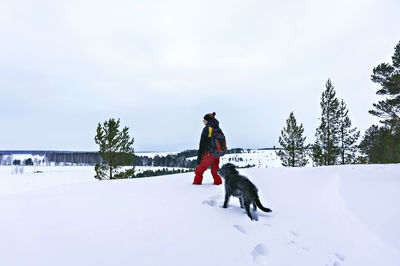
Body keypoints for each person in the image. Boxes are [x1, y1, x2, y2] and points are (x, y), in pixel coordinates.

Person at [193, 112, 223, 185]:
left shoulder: (207, 129)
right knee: (215, 170)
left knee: (199, 170)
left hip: (209, 153)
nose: (203, 121)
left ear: (207, 120)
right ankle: (218, 183)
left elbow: (202, 143)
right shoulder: (217, 128)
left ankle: (196, 185)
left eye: (204, 120)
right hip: (217, 153)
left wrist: (200, 155)